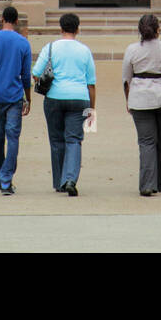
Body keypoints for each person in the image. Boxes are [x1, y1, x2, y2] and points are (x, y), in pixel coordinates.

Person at [122, 12, 161, 197]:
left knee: (146, 142)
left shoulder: (132, 50)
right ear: (158, 30)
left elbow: (127, 78)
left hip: (139, 100)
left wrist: (128, 100)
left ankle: (147, 184)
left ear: (140, 31)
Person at [32, 12, 96, 197]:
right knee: (74, 140)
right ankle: (70, 179)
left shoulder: (50, 48)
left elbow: (36, 73)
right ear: (78, 29)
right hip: (79, 98)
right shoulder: (84, 51)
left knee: (56, 140)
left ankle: (59, 182)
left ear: (61, 29)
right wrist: (92, 109)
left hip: (54, 98)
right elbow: (91, 83)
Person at [0, 5, 31, 196]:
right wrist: (28, 98)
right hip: (14, 97)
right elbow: (26, 75)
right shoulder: (23, 43)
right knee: (13, 137)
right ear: (17, 21)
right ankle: (6, 177)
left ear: (2, 19)